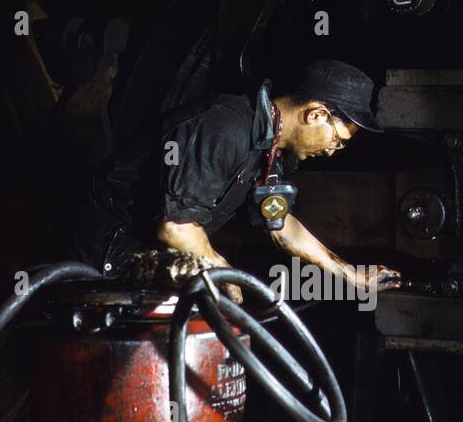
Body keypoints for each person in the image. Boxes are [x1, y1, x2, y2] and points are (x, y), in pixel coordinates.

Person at [69, 58, 401, 300]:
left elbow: (281, 225)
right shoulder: (225, 129)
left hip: (139, 263)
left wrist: (351, 275)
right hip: (102, 257)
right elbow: (176, 228)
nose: (332, 151)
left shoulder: (266, 147)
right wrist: (223, 272)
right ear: (315, 114)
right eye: (337, 139)